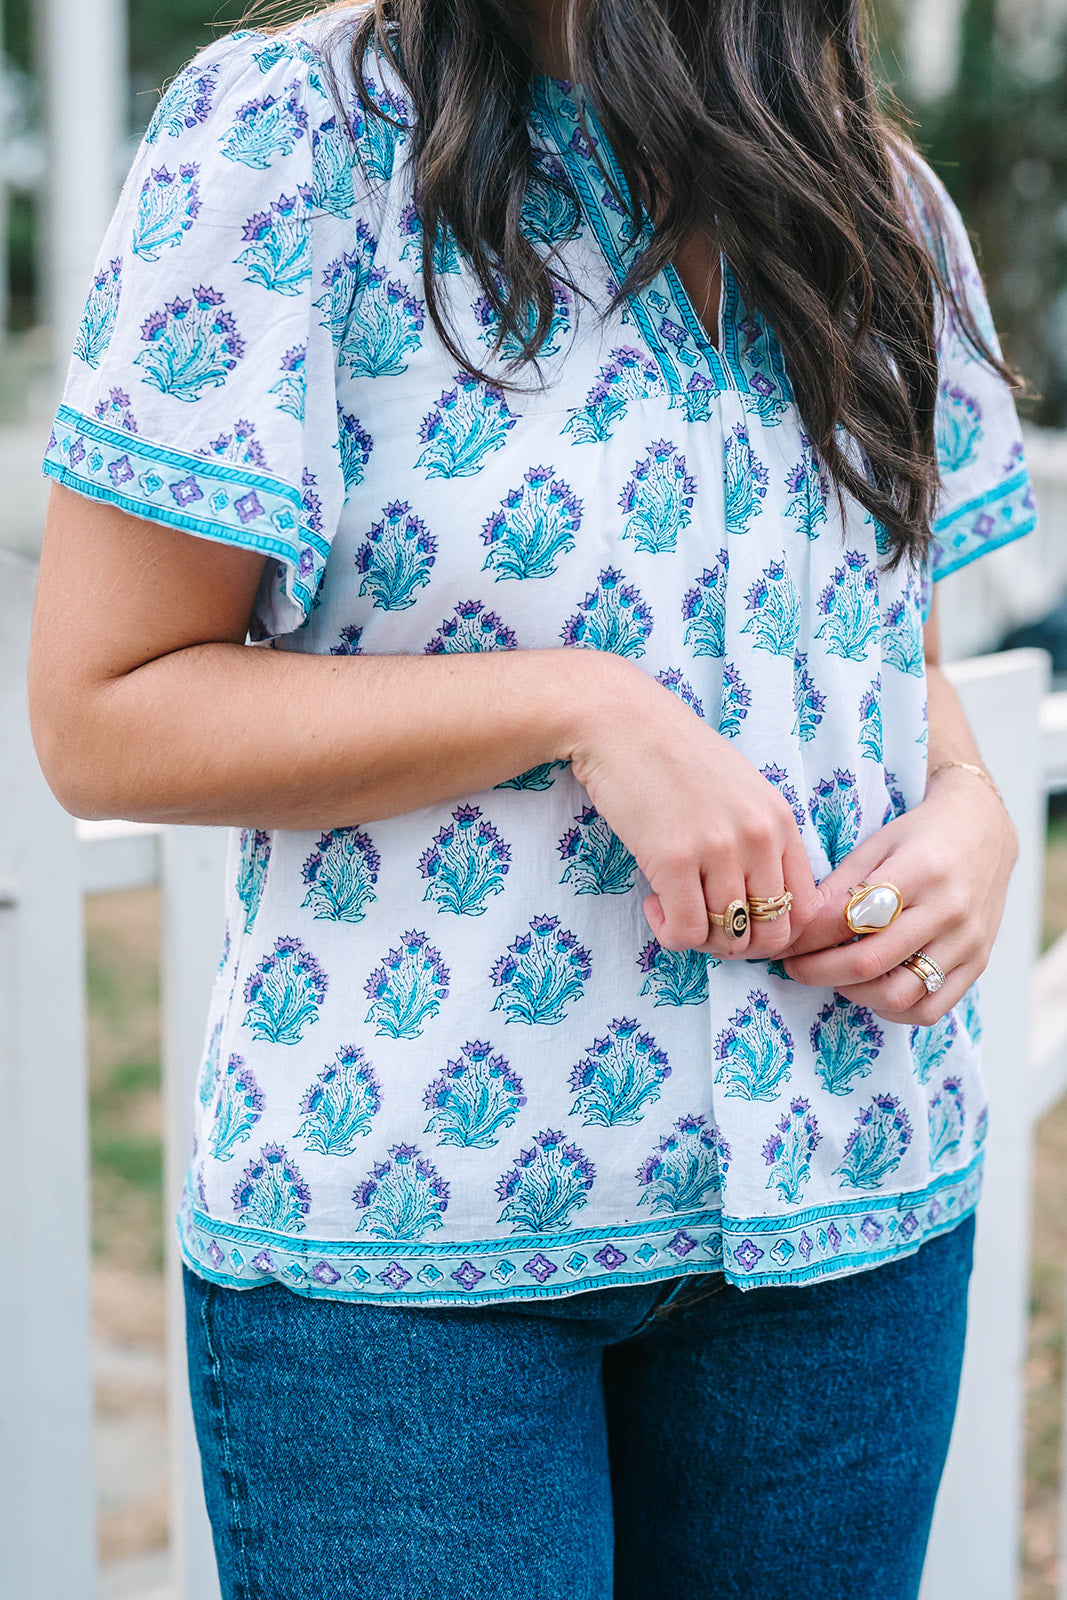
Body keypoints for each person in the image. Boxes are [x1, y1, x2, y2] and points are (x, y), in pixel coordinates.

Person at [28, 1, 1037, 1594]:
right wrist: (577, 707)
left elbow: (882, 651)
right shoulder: (296, 140)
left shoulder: (876, 200)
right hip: (410, 1276)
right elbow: (107, 710)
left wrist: (970, 809)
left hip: (853, 1229)